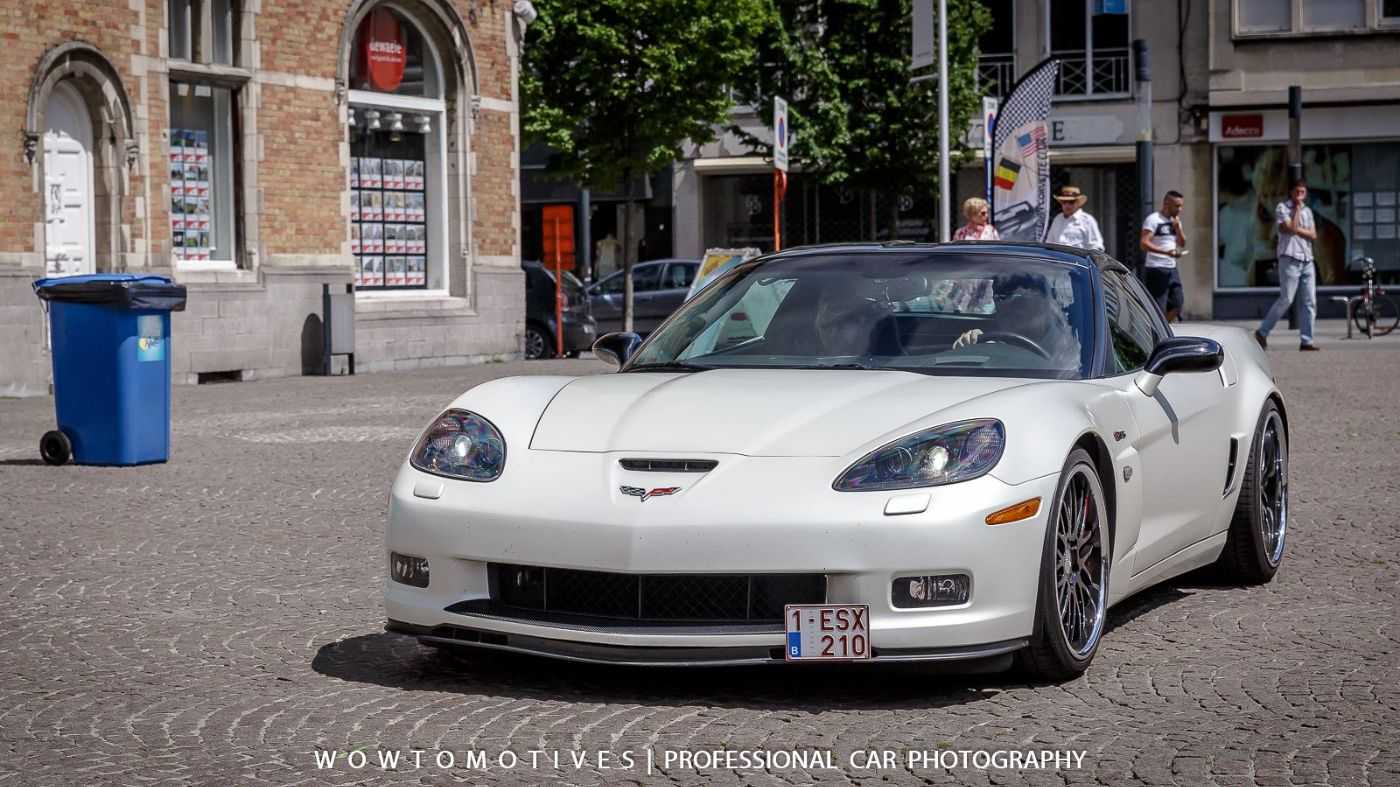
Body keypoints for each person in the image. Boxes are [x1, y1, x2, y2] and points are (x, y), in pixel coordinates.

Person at [1255, 179, 1321, 352]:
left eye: (1303, 192)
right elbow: (1289, 228)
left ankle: (1307, 341)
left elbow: (1313, 234)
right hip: (1289, 258)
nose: (1300, 195)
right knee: (1287, 299)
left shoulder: (1308, 211)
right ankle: (1262, 332)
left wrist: (1297, 225)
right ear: (1291, 192)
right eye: (1297, 192)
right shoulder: (1282, 208)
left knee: (1309, 301)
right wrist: (1297, 212)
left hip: (1307, 259)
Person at [1140, 190, 1188, 322]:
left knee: (1178, 303)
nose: (1180, 209)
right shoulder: (1153, 220)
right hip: (1156, 268)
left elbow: (1182, 243)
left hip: (1171, 267)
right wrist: (1165, 252)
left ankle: (1164, 328)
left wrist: (1178, 228)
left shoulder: (1175, 221)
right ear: (1166, 203)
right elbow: (1144, 243)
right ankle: (1160, 334)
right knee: (1158, 308)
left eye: (1181, 206)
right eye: (1177, 206)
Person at [1046, 186, 1105, 251]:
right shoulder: (1057, 219)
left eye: (1071, 202)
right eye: (1064, 202)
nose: (1067, 205)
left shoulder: (1087, 220)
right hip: (1058, 259)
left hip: (1078, 259)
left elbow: (1096, 246)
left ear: (1078, 203)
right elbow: (1049, 243)